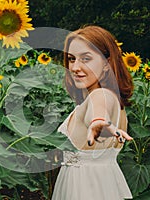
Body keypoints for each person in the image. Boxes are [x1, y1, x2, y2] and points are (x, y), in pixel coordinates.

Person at [51, 25, 134, 200]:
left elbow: (99, 110)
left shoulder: (101, 95)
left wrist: (98, 121)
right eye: (71, 59)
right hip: (103, 185)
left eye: (86, 58)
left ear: (106, 63)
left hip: (84, 190)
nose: (74, 67)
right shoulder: (113, 99)